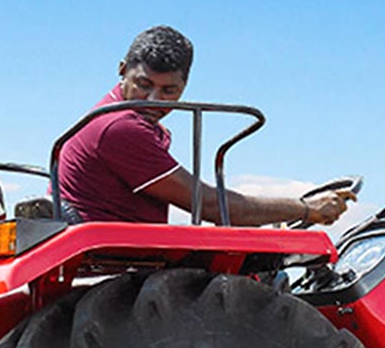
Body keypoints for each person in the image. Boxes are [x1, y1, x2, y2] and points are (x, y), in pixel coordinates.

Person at [55, 25, 355, 226]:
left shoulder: (114, 119)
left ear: (185, 86)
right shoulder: (120, 128)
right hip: (116, 258)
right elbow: (211, 206)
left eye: (168, 91)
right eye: (144, 85)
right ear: (123, 70)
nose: (153, 100)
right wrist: (305, 209)